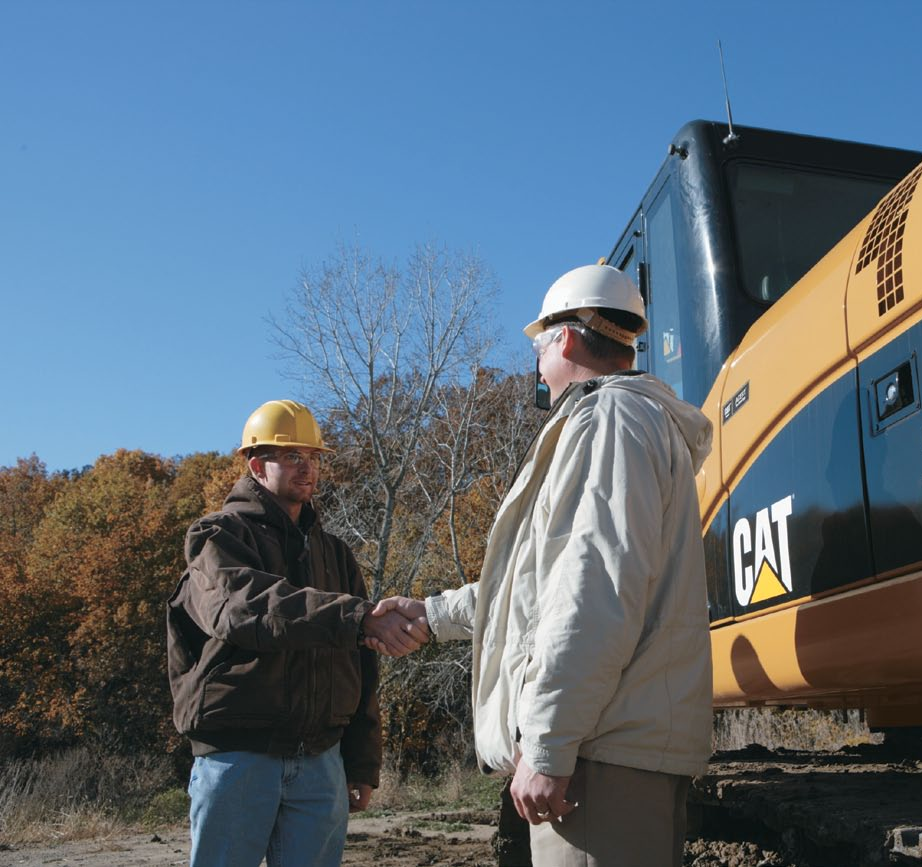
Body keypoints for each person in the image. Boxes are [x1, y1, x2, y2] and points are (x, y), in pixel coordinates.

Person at [370, 265, 714, 867]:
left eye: (539, 343)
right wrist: (430, 614)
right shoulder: (622, 424)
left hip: (599, 760)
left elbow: (594, 591)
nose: (535, 360)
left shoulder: (609, 421)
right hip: (605, 750)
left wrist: (550, 744)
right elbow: (534, 587)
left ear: (570, 339)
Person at [166, 399, 430, 867]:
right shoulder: (216, 537)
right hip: (238, 757)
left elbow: (360, 663)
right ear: (255, 464)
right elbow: (242, 607)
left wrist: (362, 761)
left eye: (313, 458)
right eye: (292, 456)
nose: (307, 468)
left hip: (321, 760)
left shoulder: (336, 553)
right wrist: (356, 616)